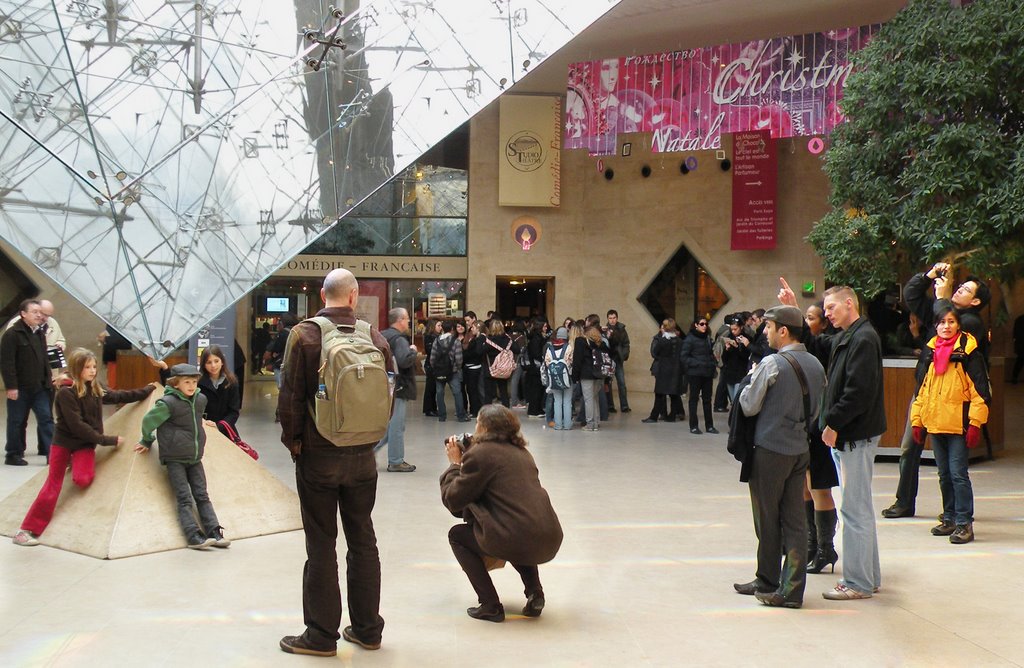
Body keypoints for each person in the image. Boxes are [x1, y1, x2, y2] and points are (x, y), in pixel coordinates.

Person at [278, 268, 391, 656]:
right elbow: (386, 392)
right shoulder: (372, 335)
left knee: (321, 544)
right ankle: (367, 630)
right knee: (364, 540)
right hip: (362, 459)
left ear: (321, 296)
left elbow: (290, 398)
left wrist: (294, 444)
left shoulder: (305, 335)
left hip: (319, 456)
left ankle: (322, 636)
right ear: (354, 296)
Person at [780, 280, 885, 601]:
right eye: (824, 310)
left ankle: (857, 583)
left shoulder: (863, 339)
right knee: (859, 508)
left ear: (849, 304)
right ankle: (870, 577)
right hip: (851, 435)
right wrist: (795, 308)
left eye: (831, 308)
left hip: (854, 435)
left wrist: (833, 424)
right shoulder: (848, 336)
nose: (827, 315)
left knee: (854, 511)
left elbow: (858, 392)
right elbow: (815, 344)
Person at [12, 349, 157, 546]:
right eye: (87, 367)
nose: (92, 371)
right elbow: (77, 426)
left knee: (83, 479)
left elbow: (118, 396)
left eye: (94, 366)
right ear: (77, 368)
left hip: (84, 445)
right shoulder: (65, 393)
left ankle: (75, 462)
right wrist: (107, 440)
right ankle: (27, 530)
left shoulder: (95, 388)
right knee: (53, 485)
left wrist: (147, 390)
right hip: (63, 443)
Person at [733, 306, 826, 609]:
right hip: (799, 448)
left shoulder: (772, 363)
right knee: (795, 519)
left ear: (783, 331)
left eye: (769, 327)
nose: (765, 332)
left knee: (767, 517)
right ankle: (791, 588)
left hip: (770, 449)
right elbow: (815, 411)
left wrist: (748, 381)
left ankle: (769, 580)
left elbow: (748, 405)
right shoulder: (815, 365)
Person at [881, 264, 991, 519]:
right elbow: (912, 296)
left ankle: (957, 515)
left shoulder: (972, 322)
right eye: (941, 322)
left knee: (953, 468)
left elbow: (953, 329)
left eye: (965, 290)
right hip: (927, 393)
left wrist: (942, 298)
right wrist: (927, 276)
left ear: (974, 301)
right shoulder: (941, 313)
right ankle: (905, 501)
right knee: (910, 447)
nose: (945, 326)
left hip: (955, 402)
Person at [440, 405, 563, 622]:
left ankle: (490, 604)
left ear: (484, 427)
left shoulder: (480, 454)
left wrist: (455, 465)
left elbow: (453, 500)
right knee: (519, 527)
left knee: (458, 535)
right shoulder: (523, 452)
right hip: (548, 537)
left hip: (515, 538)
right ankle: (536, 593)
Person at [911, 306, 989, 544]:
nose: (946, 326)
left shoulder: (968, 353)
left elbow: (980, 393)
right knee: (944, 474)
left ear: (958, 325)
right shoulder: (931, 352)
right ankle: (950, 517)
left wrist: (975, 423)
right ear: (935, 326)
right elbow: (922, 390)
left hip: (958, 426)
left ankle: (965, 522)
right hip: (936, 425)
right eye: (942, 322)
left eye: (951, 322)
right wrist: (918, 421)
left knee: (958, 474)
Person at [135, 363, 230, 550]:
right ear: (176, 383)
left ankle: (214, 531)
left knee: (202, 495)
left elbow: (194, 419)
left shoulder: (200, 399)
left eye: (194, 381)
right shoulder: (167, 403)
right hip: (175, 457)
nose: (191, 385)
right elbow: (148, 421)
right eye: (187, 382)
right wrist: (147, 440)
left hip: (195, 456)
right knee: (184, 497)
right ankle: (193, 534)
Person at [801, 303, 841, 575]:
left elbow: (809, 340)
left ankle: (826, 547)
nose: (807, 322)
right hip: (803, 424)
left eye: (811, 318)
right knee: (804, 485)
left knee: (819, 487)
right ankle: (811, 544)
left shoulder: (827, 346)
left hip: (821, 425)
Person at [2, 299, 53, 466]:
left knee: (46, 419)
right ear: (23, 314)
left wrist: (49, 380)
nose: (39, 315)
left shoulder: (39, 333)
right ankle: (13, 454)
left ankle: (52, 454)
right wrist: (11, 386)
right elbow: (7, 362)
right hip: (21, 387)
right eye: (35, 312)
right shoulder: (12, 334)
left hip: (40, 387)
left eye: (40, 312)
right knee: (16, 421)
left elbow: (44, 359)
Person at [376, 307, 417, 473]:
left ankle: (365, 453)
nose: (408, 322)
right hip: (399, 387)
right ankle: (396, 461)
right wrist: (413, 351)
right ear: (399, 320)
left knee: (390, 426)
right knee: (397, 426)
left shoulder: (382, 336)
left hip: (384, 385)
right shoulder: (399, 340)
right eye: (407, 319)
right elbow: (404, 360)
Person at [679, 317, 718, 434]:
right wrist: (697, 363)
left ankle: (709, 426)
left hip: (707, 373)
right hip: (695, 373)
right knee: (693, 400)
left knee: (707, 400)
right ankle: (693, 425)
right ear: (696, 325)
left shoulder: (707, 338)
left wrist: (712, 363)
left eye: (706, 324)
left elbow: (710, 353)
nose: (704, 326)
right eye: (702, 324)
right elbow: (684, 357)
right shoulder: (689, 339)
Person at [642, 318, 683, 424]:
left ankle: (654, 416)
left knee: (659, 394)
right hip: (676, 370)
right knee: (674, 394)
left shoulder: (662, 341)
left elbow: (655, 352)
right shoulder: (680, 341)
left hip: (664, 369)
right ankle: (672, 416)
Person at [572, 325, 609, 432]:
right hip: (599, 374)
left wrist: (575, 376)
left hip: (586, 374)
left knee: (588, 399)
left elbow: (577, 360)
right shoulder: (601, 344)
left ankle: (590, 423)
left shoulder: (580, 341)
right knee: (594, 398)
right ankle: (596, 421)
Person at [432, 320, 469, 423]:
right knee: (457, 393)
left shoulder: (437, 340)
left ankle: (442, 416)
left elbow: (432, 357)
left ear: (442, 329)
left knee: (439, 393)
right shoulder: (456, 341)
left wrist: (435, 368)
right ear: (452, 329)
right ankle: (461, 416)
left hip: (439, 371)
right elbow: (458, 358)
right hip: (452, 372)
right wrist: (457, 368)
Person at [198, 345, 241, 434]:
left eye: (216, 361)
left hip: (225, 429)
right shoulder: (198, 382)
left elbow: (234, 412)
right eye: (209, 362)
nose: (213, 365)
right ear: (204, 365)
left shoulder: (231, 381)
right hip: (204, 429)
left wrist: (219, 426)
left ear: (222, 361)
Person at [542, 326, 573, 430]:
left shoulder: (550, 348)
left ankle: (558, 425)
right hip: (567, 378)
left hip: (554, 379)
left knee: (557, 401)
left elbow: (547, 363)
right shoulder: (569, 347)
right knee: (567, 401)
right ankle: (568, 425)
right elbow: (572, 361)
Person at [482, 319, 519, 408]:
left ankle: (487, 412)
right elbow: (517, 349)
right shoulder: (508, 340)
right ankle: (506, 410)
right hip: (504, 369)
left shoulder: (488, 341)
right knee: (504, 392)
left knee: (488, 393)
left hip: (490, 369)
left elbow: (480, 351)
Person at [605, 309, 631, 413]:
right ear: (607, 319)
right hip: (609, 359)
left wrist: (624, 355)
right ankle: (610, 405)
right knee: (608, 384)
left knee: (621, 383)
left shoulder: (622, 329)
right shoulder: (605, 330)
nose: (612, 320)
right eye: (610, 318)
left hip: (618, 359)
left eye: (614, 318)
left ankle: (624, 406)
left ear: (617, 318)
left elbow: (626, 344)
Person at [720, 318, 751, 402]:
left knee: (737, 399)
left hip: (741, 372)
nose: (733, 331)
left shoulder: (746, 339)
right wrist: (727, 349)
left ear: (741, 327)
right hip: (730, 372)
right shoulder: (729, 337)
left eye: (735, 329)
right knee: (733, 400)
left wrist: (737, 347)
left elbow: (747, 356)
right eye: (731, 329)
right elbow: (724, 358)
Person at [422, 319, 441, 416]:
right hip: (431, 365)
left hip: (433, 365)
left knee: (433, 387)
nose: (440, 328)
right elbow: (430, 350)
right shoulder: (430, 337)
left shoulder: (436, 337)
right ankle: (429, 408)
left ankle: (432, 407)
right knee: (430, 387)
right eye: (438, 325)